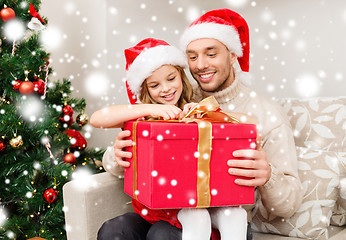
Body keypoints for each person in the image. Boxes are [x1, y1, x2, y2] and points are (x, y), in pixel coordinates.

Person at [105, 8, 304, 240]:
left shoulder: (267, 114)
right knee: (114, 230)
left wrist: (268, 175)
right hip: (168, 208)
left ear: (232, 55)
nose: (200, 65)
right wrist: (118, 155)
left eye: (211, 54)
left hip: (223, 217)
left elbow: (288, 206)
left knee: (163, 234)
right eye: (192, 56)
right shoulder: (180, 97)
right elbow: (133, 134)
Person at [92, 38, 253, 240]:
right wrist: (150, 108)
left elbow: (249, 122)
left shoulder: (194, 107)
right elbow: (97, 118)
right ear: (145, 89)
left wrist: (201, 114)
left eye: (171, 79)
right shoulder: (143, 117)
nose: (166, 89)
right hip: (155, 210)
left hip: (194, 206)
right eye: (155, 85)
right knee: (114, 230)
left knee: (174, 230)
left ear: (181, 76)